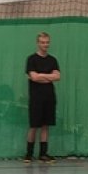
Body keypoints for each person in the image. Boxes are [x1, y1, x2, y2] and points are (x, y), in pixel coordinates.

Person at [24, 31, 60, 163]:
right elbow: (34, 77)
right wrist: (48, 76)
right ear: (38, 43)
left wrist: (41, 76)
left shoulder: (53, 60)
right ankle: (29, 154)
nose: (45, 45)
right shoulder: (31, 59)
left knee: (45, 125)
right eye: (43, 42)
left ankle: (43, 154)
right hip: (36, 98)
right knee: (34, 125)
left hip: (49, 97)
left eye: (47, 42)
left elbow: (57, 76)